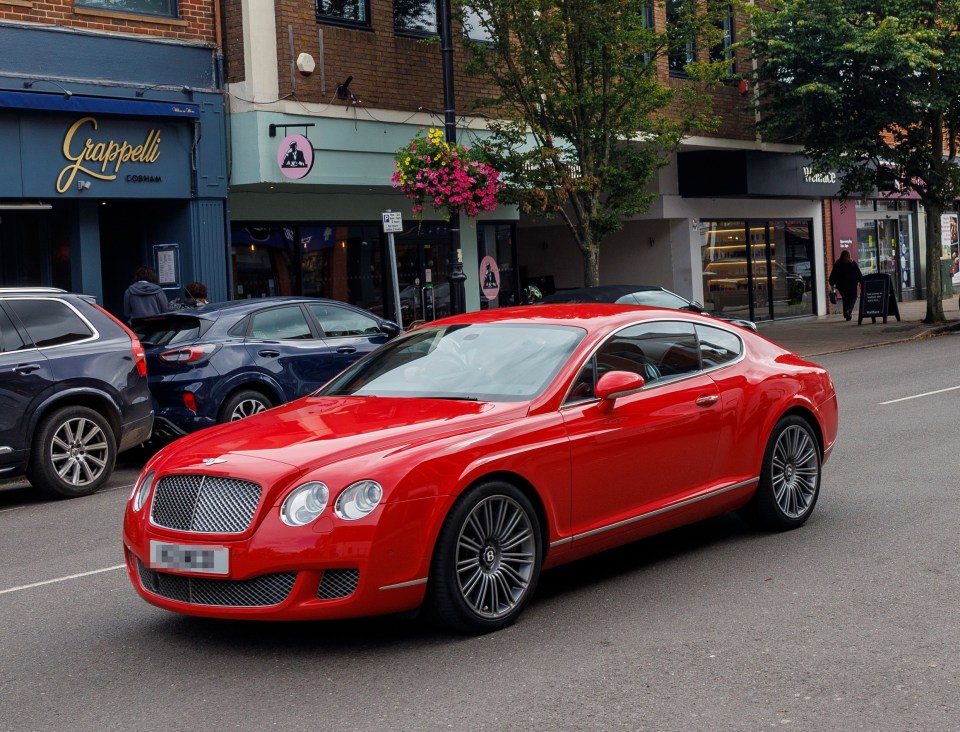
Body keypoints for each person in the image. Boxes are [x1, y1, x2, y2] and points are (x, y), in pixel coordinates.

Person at [828, 250, 863, 321]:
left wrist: (832, 284)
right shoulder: (852, 263)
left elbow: (832, 276)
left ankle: (847, 315)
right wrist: (861, 282)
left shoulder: (838, 264)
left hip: (842, 286)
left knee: (845, 299)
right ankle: (848, 310)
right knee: (853, 298)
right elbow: (859, 274)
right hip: (852, 285)